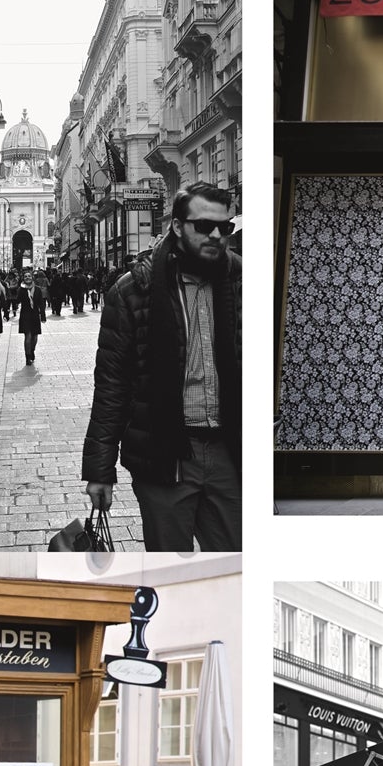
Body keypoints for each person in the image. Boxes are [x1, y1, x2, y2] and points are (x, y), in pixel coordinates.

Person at [83, 183, 241, 552]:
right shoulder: (133, 291)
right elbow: (112, 385)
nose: (216, 235)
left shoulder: (241, 282)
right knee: (171, 573)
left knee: (236, 570)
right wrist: (99, 471)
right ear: (176, 226)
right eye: (204, 226)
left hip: (230, 452)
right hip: (165, 453)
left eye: (225, 227)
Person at [18, 277, 44, 365]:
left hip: (35, 314)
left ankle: (32, 350)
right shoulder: (21, 289)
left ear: (32, 278)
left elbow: (41, 303)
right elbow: (17, 300)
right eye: (25, 276)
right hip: (25, 314)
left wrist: (43, 315)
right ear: (23, 279)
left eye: (29, 276)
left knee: (35, 336)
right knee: (28, 336)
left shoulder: (37, 289)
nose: (27, 277)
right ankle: (27, 356)